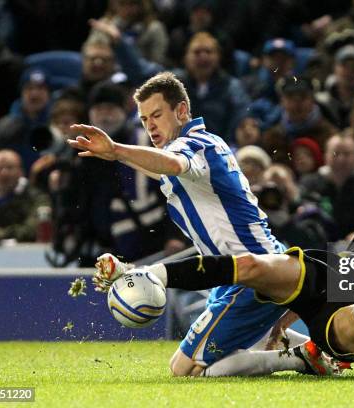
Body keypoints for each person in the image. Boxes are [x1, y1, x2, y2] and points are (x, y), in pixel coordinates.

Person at [93, 164, 354, 376]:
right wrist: (283, 316)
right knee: (252, 266)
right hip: (330, 282)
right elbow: (342, 268)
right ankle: (153, 275)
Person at [68, 71, 338, 377]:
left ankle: (297, 358)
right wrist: (117, 157)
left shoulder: (193, 145)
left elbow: (171, 164)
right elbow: (164, 169)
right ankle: (303, 345)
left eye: (157, 114)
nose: (150, 125)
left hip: (252, 274)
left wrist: (116, 149)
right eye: (144, 119)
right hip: (242, 270)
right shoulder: (206, 144)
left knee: (186, 370)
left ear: (181, 111)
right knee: (206, 358)